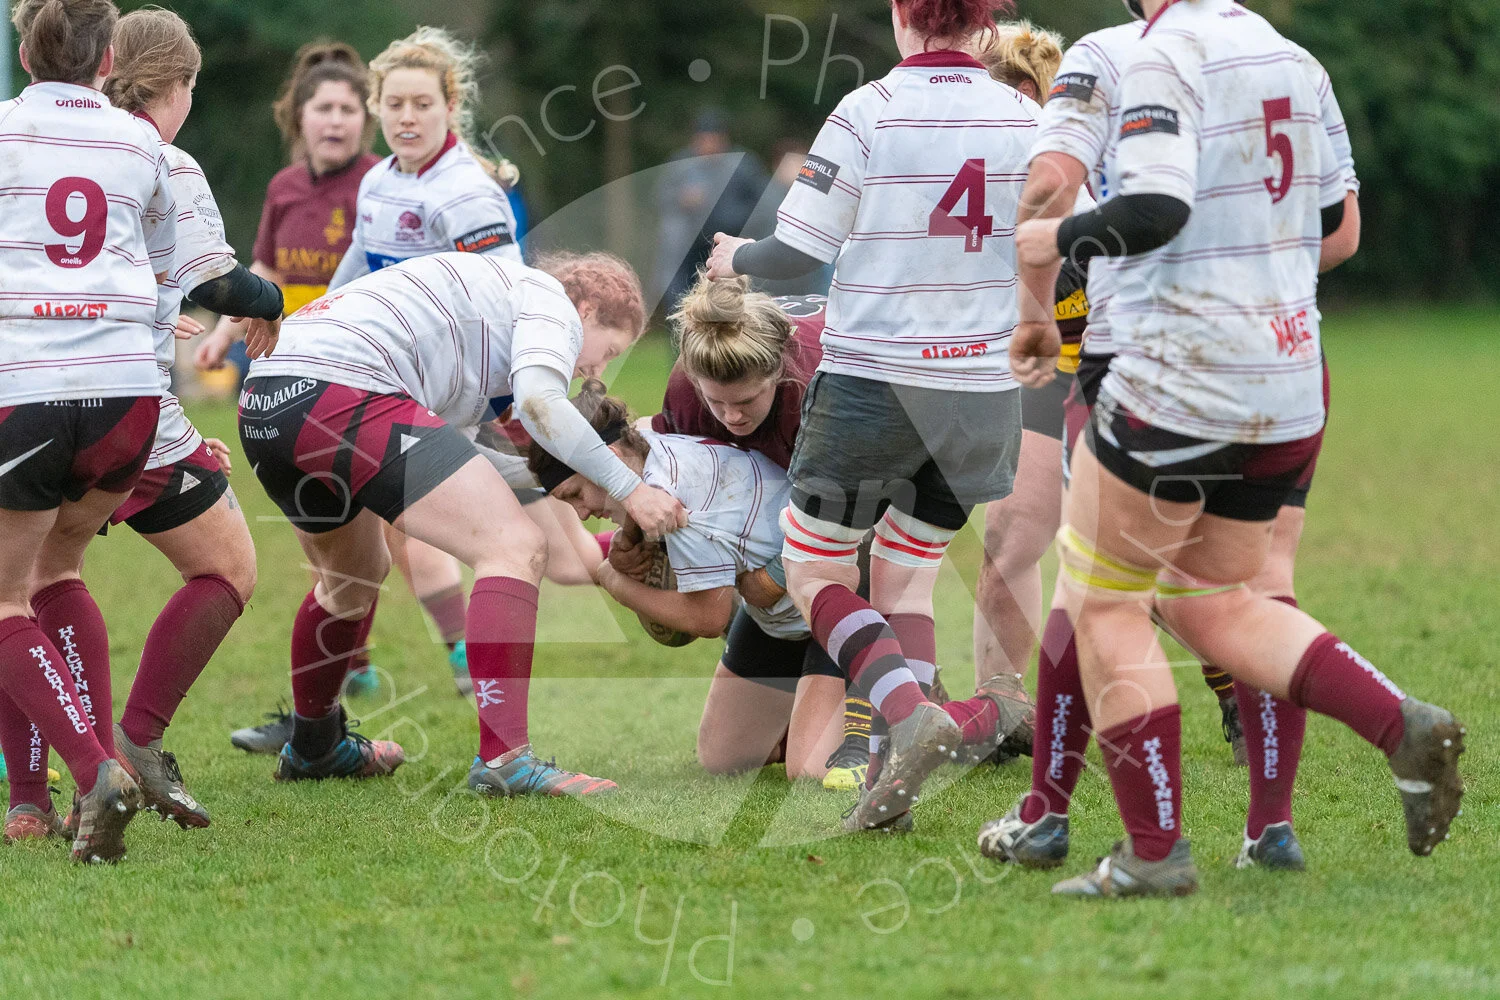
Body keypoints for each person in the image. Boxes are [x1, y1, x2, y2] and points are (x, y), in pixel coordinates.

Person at [1003, 0, 1461, 898]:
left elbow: (1159, 206)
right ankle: (1397, 722)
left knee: (1103, 603)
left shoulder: (1163, 51)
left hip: (1177, 371)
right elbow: (1335, 224)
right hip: (1288, 376)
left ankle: (1153, 850)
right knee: (1218, 600)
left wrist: (1054, 241)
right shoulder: (1298, 59)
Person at [707, 0, 1038, 833]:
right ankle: (892, 783)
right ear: (986, 27)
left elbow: (798, 252)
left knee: (816, 570)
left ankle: (905, 714)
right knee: (908, 576)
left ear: (902, 17)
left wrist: (732, 256)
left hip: (876, 381)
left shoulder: (869, 111)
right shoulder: (1028, 116)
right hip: (986, 391)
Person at [237, 250, 684, 796]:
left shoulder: (482, 341)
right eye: (608, 351)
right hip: (344, 390)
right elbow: (541, 402)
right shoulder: (549, 302)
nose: (594, 371)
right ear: (587, 308)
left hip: (269, 404)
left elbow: (464, 461)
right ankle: (505, 760)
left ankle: (314, 746)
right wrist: (630, 489)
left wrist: (577, 494)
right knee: (514, 546)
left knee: (351, 578)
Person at [45, 7, 281, 832]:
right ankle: (130, 743)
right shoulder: (160, 158)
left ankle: (35, 794)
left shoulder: (40, 143)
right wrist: (269, 302)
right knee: (229, 568)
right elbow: (217, 283)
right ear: (176, 86)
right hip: (126, 407)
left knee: (34, 582)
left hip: (31, 395)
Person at [0, 0, 183, 863]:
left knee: (3, 598)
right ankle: (41, 800)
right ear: (109, 57)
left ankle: (92, 771)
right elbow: (164, 278)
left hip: (29, 389)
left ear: (24, 50)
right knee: (55, 572)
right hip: (129, 398)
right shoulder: (142, 143)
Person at [533, 384, 847, 780]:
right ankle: (816, 705)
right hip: (777, 615)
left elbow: (707, 619)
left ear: (606, 462)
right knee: (725, 756)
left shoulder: (675, 507)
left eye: (576, 494)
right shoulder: (649, 441)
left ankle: (886, 693)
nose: (581, 513)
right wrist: (625, 541)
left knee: (811, 771)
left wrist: (613, 581)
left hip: (833, 604)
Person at [654, 108, 769, 314]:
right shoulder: (681, 165)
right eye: (703, 140)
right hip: (688, 245)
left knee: (727, 293)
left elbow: (761, 203)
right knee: (683, 291)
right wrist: (682, 199)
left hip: (728, 241)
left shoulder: (743, 165)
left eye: (713, 140)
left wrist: (736, 222)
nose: (708, 146)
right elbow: (662, 197)